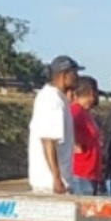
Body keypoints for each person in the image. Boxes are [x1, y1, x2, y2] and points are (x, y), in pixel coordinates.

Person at [28, 55, 81, 194]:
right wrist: (56, 178)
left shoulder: (57, 98)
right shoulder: (52, 100)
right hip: (51, 186)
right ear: (64, 75)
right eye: (74, 73)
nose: (77, 77)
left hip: (55, 184)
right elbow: (48, 140)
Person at [69, 76, 102, 196]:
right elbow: (65, 125)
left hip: (90, 173)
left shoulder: (85, 113)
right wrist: (74, 143)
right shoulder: (76, 110)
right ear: (91, 93)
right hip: (81, 173)